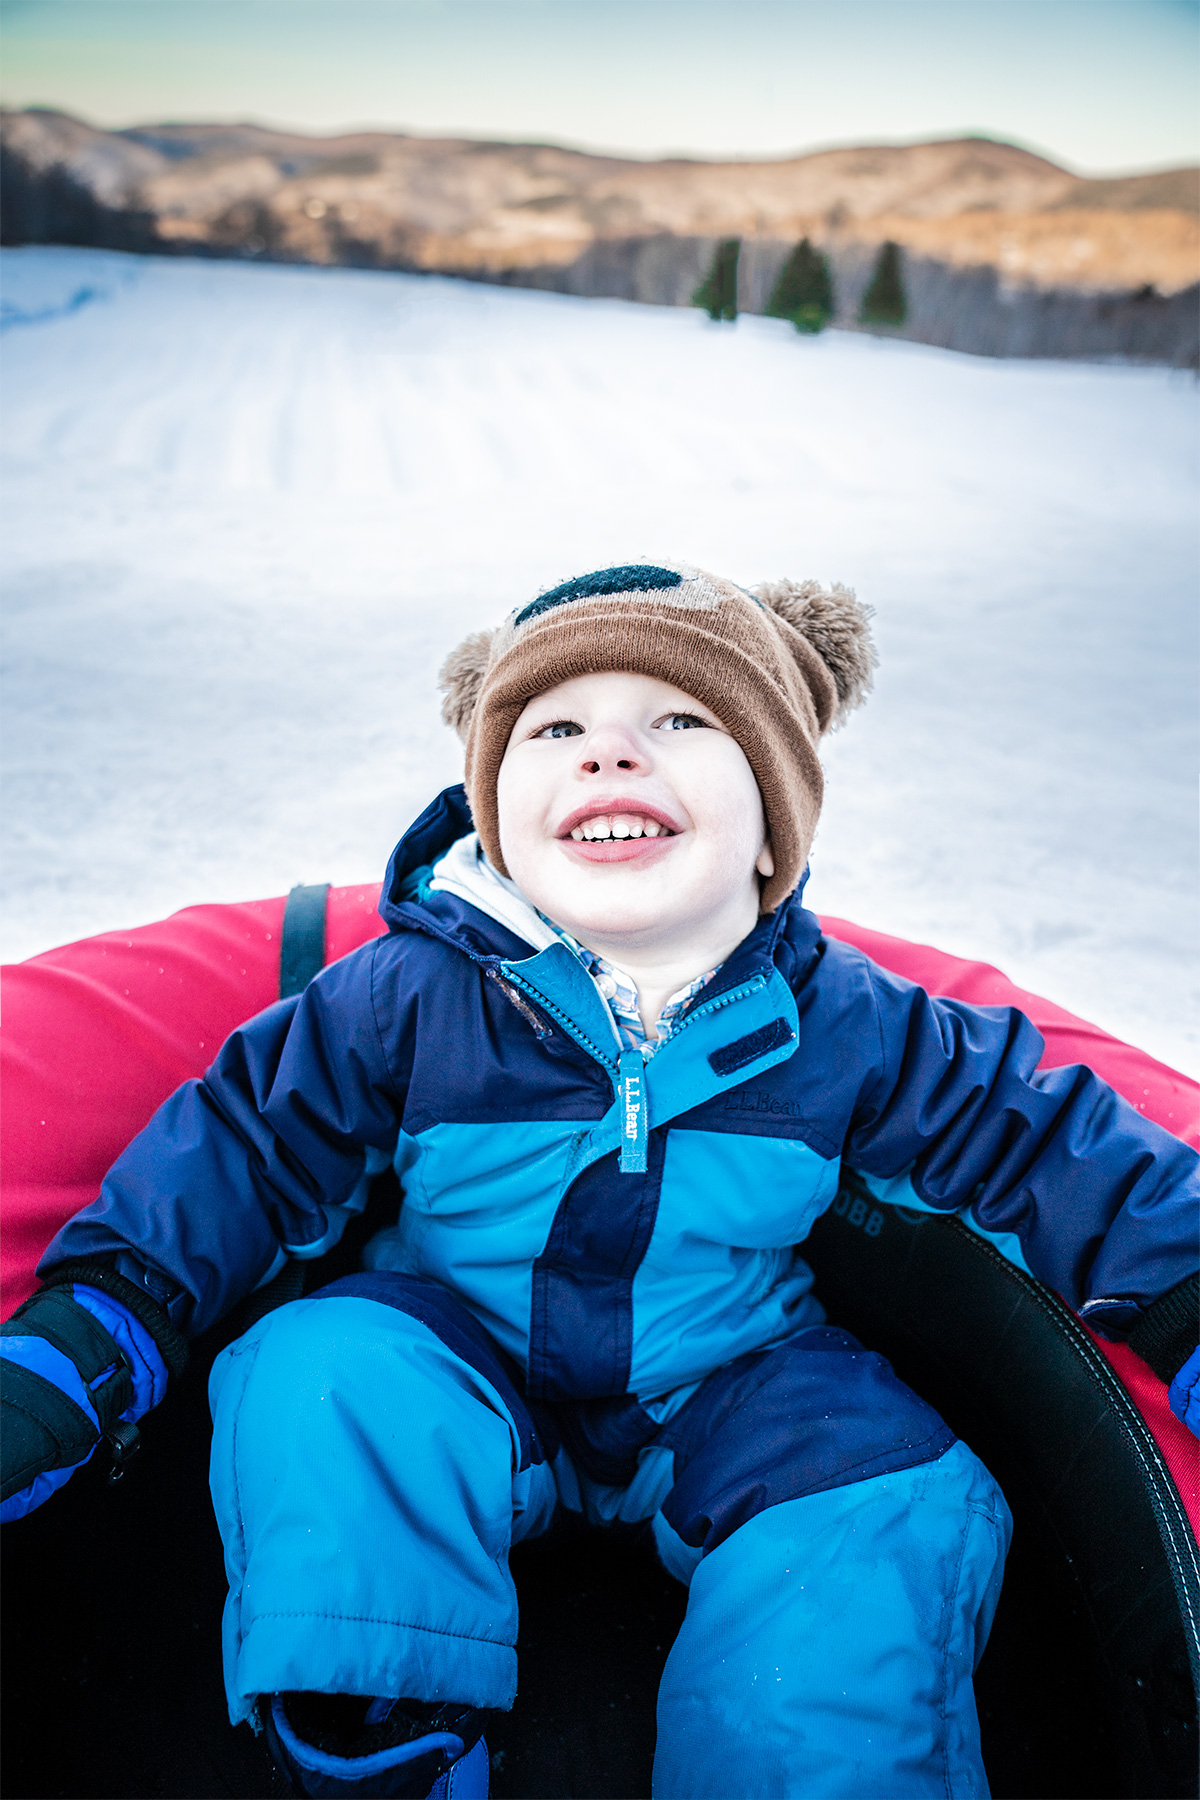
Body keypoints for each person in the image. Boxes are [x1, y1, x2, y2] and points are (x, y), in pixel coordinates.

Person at [2, 560, 1197, 1800]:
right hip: (463, 1351)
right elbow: (241, 1151)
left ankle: (812, 1765)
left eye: (680, 722)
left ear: (774, 807)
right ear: (498, 805)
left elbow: (1047, 1141)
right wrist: (86, 1336)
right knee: (324, 1372)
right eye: (554, 728)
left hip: (726, 1377)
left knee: (885, 1481)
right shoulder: (413, 995)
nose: (608, 756)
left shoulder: (841, 1022)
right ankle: (383, 1743)